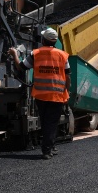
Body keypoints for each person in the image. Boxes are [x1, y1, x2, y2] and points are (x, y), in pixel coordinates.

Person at [8, 28, 71, 160]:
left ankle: (49, 148)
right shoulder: (63, 55)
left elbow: (21, 67)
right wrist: (66, 91)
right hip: (57, 95)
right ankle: (48, 149)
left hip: (41, 95)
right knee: (52, 123)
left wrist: (14, 54)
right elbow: (68, 76)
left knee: (45, 122)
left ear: (43, 40)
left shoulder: (35, 54)